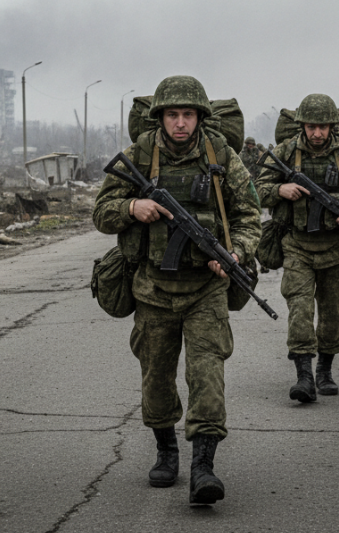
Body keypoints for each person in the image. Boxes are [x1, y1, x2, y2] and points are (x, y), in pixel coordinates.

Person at [92, 75, 261, 506]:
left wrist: (235, 252)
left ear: (200, 117)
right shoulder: (139, 155)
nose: (181, 122)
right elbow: (102, 213)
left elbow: (248, 216)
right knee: (157, 379)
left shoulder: (221, 156)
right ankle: (166, 450)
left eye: (188, 114)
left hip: (206, 289)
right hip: (152, 288)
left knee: (207, 375)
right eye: (173, 114)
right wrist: (132, 207)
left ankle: (203, 466)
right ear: (160, 117)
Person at [257, 93, 339, 402]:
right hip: (297, 244)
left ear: (332, 126)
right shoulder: (284, 152)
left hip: (336, 247)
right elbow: (256, 190)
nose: (317, 133)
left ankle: (325, 368)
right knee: (299, 308)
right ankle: (304, 375)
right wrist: (279, 189)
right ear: (302, 125)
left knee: (331, 312)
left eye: (323, 126)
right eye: (312, 126)